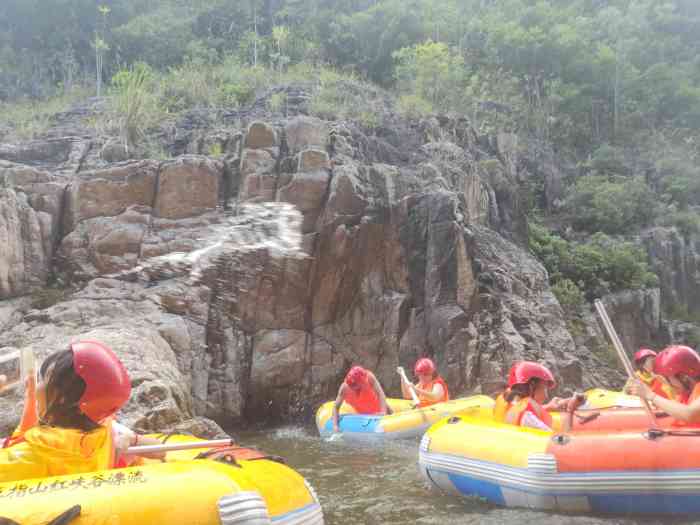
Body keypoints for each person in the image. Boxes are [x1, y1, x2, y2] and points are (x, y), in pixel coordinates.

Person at [0, 341, 164, 483]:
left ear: (62, 398)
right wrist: (132, 439)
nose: (36, 386)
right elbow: (161, 451)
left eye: (43, 380)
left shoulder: (33, 455)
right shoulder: (104, 433)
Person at [497, 361, 584, 432]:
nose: (546, 396)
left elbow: (523, 407)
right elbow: (561, 443)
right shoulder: (527, 417)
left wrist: (548, 407)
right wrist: (570, 410)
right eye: (545, 388)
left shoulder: (509, 401)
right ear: (531, 386)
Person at [629, 345, 700, 424]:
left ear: (683, 377)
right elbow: (677, 408)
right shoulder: (686, 394)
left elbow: (690, 414)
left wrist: (650, 395)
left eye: (667, 379)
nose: (668, 384)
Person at [332, 366, 391, 433]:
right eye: (352, 386)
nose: (355, 389)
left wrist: (383, 412)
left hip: (381, 412)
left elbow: (381, 394)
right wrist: (335, 425)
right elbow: (336, 407)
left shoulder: (369, 378)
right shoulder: (344, 388)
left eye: (357, 386)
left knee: (388, 409)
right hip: (364, 415)